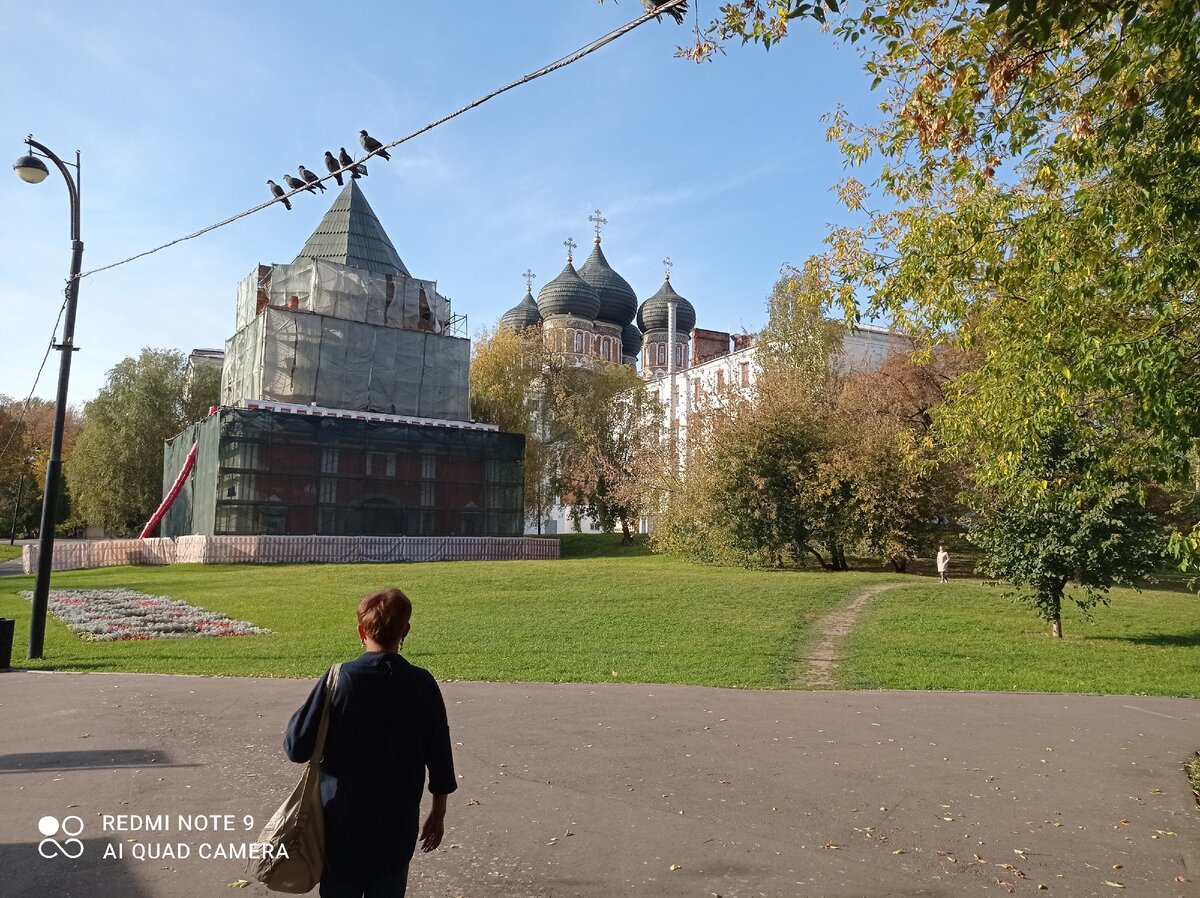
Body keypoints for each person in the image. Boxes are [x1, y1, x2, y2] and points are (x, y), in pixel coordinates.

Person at [285, 588, 456, 898]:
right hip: (396, 826)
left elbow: (296, 747)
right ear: (405, 631)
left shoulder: (340, 680)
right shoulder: (422, 684)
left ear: (361, 630)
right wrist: (438, 814)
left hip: (340, 826)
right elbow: (440, 757)